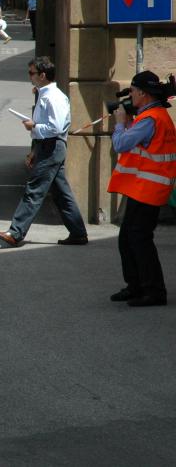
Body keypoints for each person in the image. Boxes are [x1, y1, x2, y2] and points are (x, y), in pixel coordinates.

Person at [0, 57, 87, 247]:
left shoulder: (53, 97)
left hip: (52, 146)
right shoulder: (44, 94)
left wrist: (33, 126)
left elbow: (56, 127)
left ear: (42, 75)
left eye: (32, 73)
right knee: (61, 193)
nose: (29, 77)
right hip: (47, 146)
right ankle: (78, 233)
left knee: (34, 190)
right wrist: (34, 150)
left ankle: (16, 232)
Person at [107, 70, 176, 306]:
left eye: (133, 91)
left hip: (149, 188)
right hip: (144, 187)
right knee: (128, 237)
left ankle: (153, 291)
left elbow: (121, 144)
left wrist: (119, 124)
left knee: (138, 238)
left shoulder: (150, 119)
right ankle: (136, 286)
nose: (131, 96)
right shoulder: (155, 115)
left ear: (143, 94)